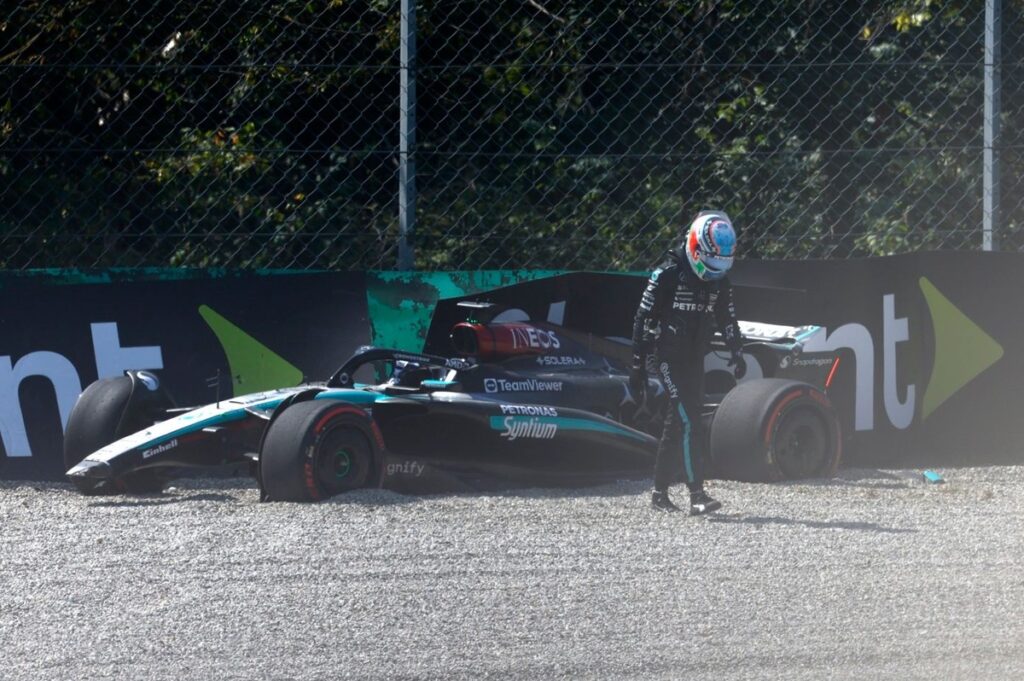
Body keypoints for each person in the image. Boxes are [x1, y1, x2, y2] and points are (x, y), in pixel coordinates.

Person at [630, 210, 746, 514]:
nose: (714, 274)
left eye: (721, 267)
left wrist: (737, 350)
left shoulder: (720, 283)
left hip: (696, 358)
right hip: (667, 359)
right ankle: (697, 495)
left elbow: (727, 318)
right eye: (711, 266)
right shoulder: (666, 276)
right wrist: (637, 365)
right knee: (689, 421)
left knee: (677, 423)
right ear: (695, 249)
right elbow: (642, 319)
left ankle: (659, 493)